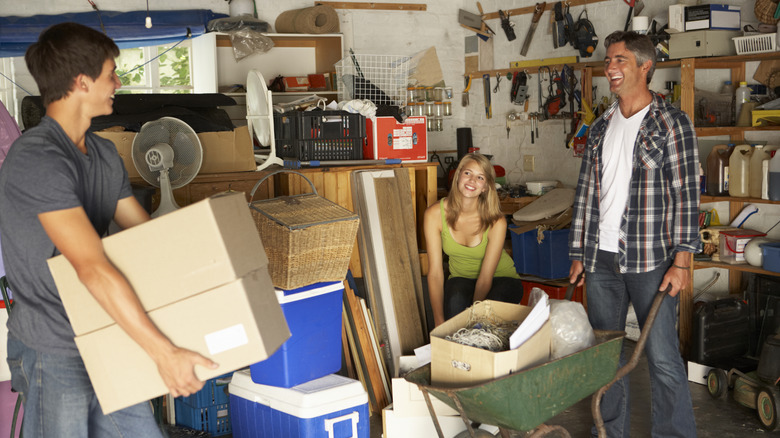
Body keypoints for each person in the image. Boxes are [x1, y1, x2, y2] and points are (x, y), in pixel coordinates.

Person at [0, 22, 217, 437]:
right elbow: (92, 267)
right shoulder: (38, 158)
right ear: (82, 82)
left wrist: (210, 268)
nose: (118, 82)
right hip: (53, 344)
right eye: (110, 74)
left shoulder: (102, 153)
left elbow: (145, 236)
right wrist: (163, 352)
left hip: (105, 332)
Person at [568, 31, 701, 437]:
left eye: (620, 60)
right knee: (605, 358)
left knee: (661, 357)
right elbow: (586, 191)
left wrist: (682, 260)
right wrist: (579, 250)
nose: (610, 67)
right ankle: (607, 433)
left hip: (651, 260)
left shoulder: (671, 123)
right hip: (601, 258)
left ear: (645, 67)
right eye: (609, 60)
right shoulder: (602, 125)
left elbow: (686, 194)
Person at [424, 153, 523, 327]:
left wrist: (474, 320)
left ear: (485, 187)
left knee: (491, 309)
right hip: (461, 279)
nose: (471, 181)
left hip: (501, 279)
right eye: (467, 173)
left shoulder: (495, 221)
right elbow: (435, 273)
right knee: (455, 302)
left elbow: (485, 278)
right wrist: (439, 322)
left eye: (480, 177)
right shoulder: (434, 215)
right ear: (458, 176)